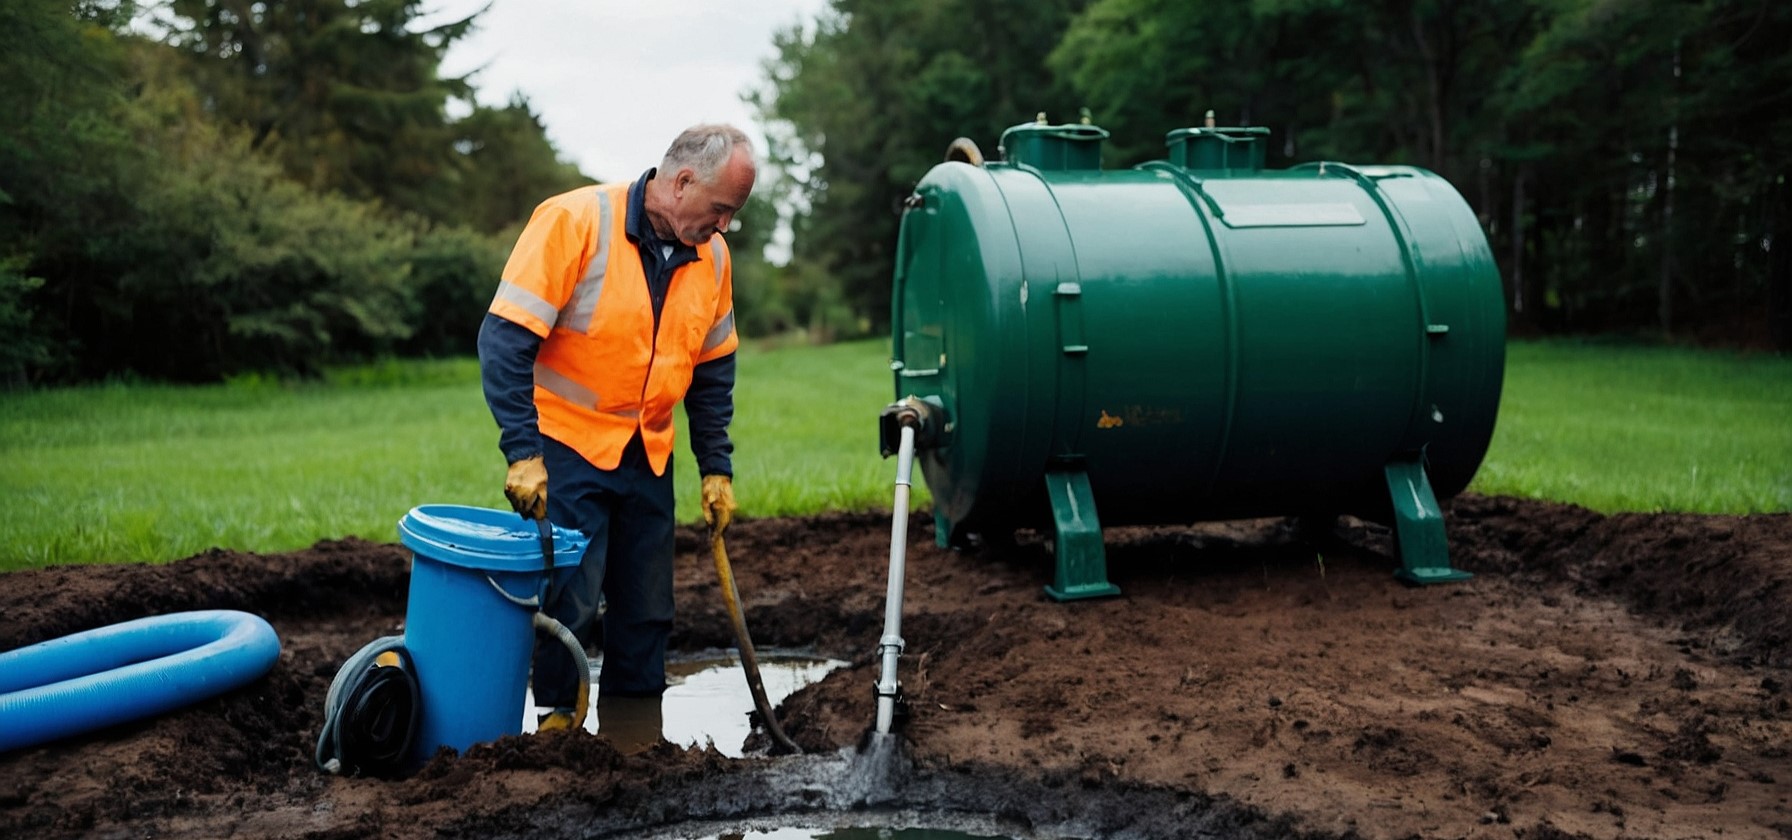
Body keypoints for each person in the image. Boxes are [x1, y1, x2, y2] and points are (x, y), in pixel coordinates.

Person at [477, 124, 755, 732]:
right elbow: (504, 340)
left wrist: (716, 467)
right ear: (683, 182)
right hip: (568, 446)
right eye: (721, 209)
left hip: (649, 454)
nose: (725, 225)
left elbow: (713, 373)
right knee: (569, 598)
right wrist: (523, 450)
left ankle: (637, 730)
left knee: (648, 608)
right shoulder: (574, 221)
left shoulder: (713, 258)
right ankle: (557, 724)